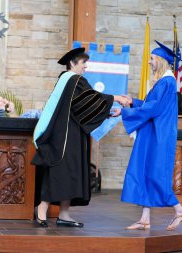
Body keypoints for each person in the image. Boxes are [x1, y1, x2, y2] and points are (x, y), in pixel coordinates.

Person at [32, 47, 128, 227]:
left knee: (71, 172)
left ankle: (64, 214)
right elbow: (89, 98)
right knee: (60, 171)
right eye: (84, 63)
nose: (86, 67)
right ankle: (42, 208)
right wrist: (116, 98)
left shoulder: (65, 81)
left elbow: (80, 107)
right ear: (72, 63)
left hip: (71, 133)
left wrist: (105, 113)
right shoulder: (75, 80)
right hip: (65, 136)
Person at [113, 41, 182, 231]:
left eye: (152, 58)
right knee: (146, 173)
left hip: (158, 136)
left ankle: (179, 211)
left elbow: (153, 108)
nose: (149, 62)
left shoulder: (167, 82)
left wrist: (124, 112)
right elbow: (150, 104)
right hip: (151, 134)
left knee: (156, 175)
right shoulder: (163, 82)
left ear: (162, 61)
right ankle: (145, 218)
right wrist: (132, 102)